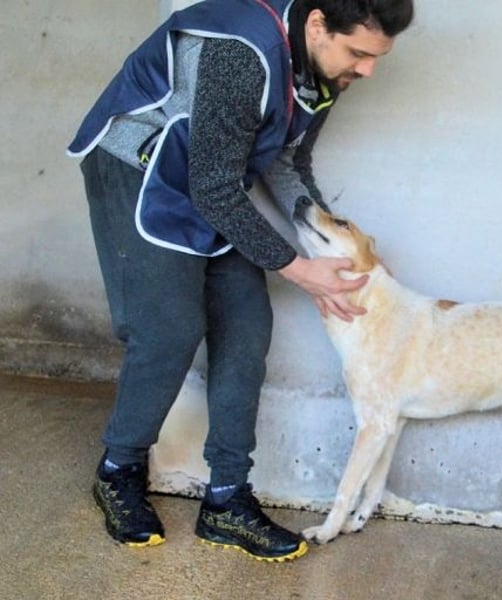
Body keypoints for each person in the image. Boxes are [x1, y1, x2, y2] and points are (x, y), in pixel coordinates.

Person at [67, 0, 414, 562]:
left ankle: (227, 499)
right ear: (318, 24)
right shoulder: (243, 53)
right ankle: (118, 470)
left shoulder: (324, 72)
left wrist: (337, 248)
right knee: (170, 329)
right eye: (358, 53)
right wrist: (300, 269)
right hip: (138, 166)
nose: (368, 69)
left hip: (210, 178)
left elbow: (285, 162)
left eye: (377, 57)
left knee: (247, 325)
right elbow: (214, 187)